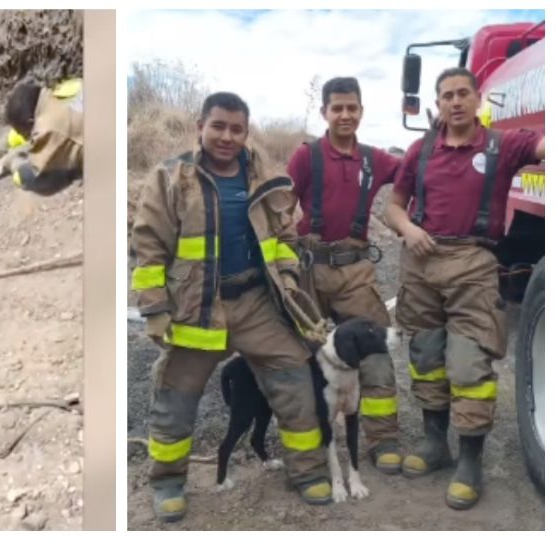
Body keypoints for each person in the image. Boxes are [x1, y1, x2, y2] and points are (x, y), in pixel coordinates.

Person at [131, 91, 330, 522]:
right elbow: (149, 248)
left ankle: (308, 471)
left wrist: (289, 280)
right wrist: (154, 308)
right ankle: (167, 482)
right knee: (176, 397)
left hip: (256, 303)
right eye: (218, 126)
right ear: (199, 126)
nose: (226, 136)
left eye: (236, 129)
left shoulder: (265, 180)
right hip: (196, 308)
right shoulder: (170, 179)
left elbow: (284, 240)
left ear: (246, 132)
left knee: (295, 380)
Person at [384, 67, 544, 510]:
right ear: (438, 103)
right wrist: (408, 231)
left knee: (469, 362)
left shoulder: (501, 145)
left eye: (462, 94)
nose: (454, 102)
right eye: (446, 95)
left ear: (477, 100)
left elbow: (542, 145)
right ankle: (436, 444)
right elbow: (394, 209)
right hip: (421, 261)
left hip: (474, 263)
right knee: (426, 356)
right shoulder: (420, 150)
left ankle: (470, 459)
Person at [287, 77, 403, 474]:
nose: (345, 114)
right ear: (324, 112)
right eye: (337, 108)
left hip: (355, 271)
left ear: (361, 112)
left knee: (375, 353)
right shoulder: (305, 157)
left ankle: (383, 439)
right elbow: (279, 209)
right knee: (302, 355)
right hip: (309, 272)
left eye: (352, 107)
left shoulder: (376, 160)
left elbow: (419, 173)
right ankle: (310, 443)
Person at [0, 78, 83, 196]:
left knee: (22, 178)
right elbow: (18, 135)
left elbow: (33, 172)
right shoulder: (57, 93)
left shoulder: (48, 128)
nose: (22, 136)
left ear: (30, 122)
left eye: (22, 131)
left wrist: (10, 161)